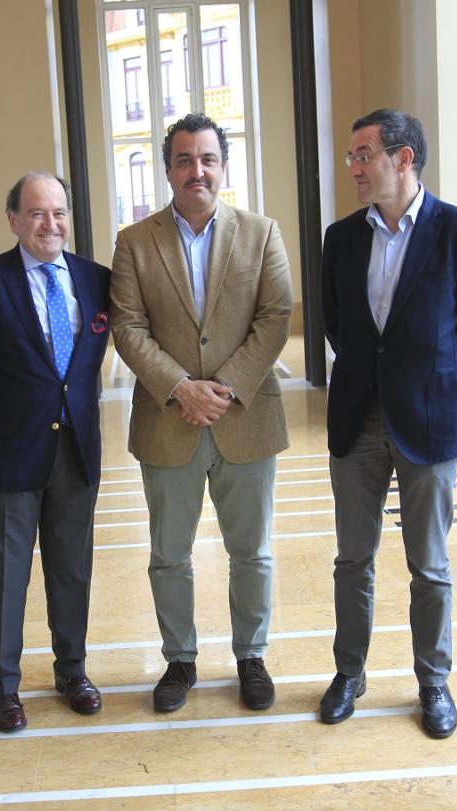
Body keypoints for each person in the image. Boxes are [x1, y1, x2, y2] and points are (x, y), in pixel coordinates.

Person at [318, 109, 457, 737]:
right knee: (353, 560)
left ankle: (434, 683)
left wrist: (442, 387)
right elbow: (337, 326)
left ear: (404, 158)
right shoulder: (341, 238)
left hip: (429, 425)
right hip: (356, 421)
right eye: (350, 157)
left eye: (363, 154)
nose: (354, 168)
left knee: (429, 565)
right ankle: (350, 673)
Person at [111, 113, 292, 713]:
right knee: (169, 554)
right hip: (168, 419)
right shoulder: (135, 241)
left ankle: (251, 656)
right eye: (184, 159)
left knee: (253, 551)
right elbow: (128, 327)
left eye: (207, 158)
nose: (197, 170)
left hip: (246, 418)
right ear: (168, 170)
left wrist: (226, 386)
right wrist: (181, 387)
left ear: (223, 166)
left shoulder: (261, 233)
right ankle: (179, 660)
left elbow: (275, 317)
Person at [0, 172, 111, 733]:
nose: (50, 224)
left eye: (59, 212)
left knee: (72, 572)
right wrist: (10, 414)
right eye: (37, 213)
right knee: (9, 577)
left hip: (77, 452)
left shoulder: (96, 280)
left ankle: (73, 672)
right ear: (13, 219)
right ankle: (5, 689)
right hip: (9, 454)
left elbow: (85, 368)